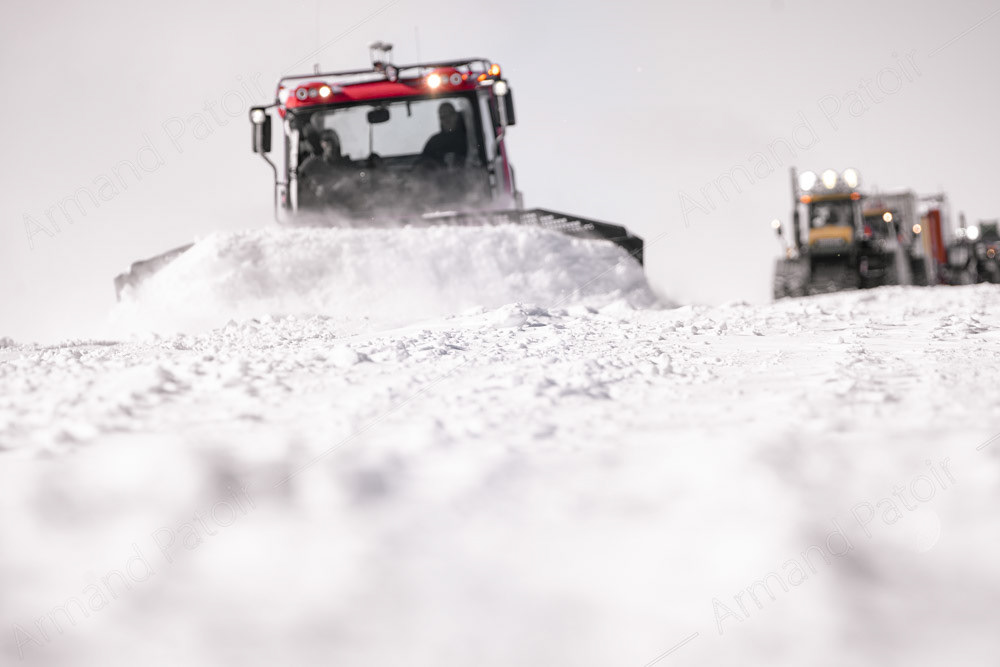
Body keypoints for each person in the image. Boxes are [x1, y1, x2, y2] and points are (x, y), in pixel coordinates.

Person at [299, 129, 351, 205]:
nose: (331, 148)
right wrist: (314, 188)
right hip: (317, 207)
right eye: (327, 144)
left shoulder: (345, 164)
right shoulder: (312, 164)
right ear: (321, 145)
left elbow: (350, 181)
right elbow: (298, 180)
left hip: (342, 205)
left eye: (333, 143)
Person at [420, 102, 467, 167]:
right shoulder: (433, 142)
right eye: (443, 117)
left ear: (456, 116)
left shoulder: (468, 138)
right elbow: (422, 165)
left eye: (450, 114)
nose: (447, 119)